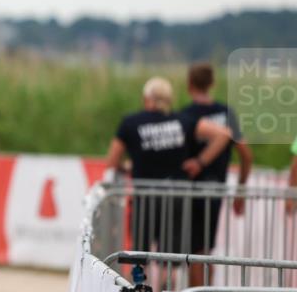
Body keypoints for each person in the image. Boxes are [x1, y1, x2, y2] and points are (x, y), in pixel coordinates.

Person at [105, 77, 233, 268]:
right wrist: (200, 161)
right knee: (170, 257)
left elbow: (112, 160)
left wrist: (125, 168)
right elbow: (224, 134)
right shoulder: (183, 121)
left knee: (139, 254)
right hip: (176, 198)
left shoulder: (130, 123)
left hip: (144, 197)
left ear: (147, 97)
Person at [178, 63, 253, 274]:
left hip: (188, 191)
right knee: (206, 251)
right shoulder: (227, 113)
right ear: (212, 84)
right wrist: (241, 191)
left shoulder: (185, 114)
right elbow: (246, 156)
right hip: (216, 189)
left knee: (192, 253)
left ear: (189, 84)